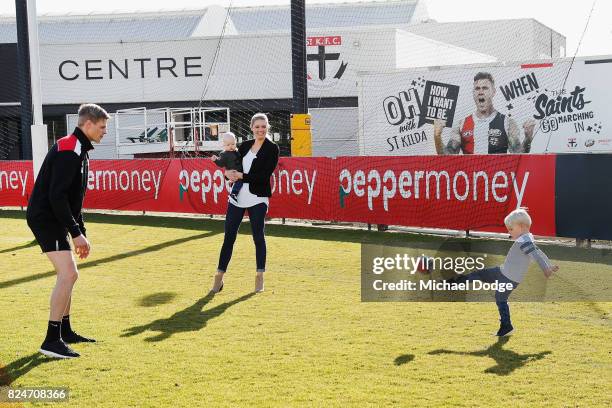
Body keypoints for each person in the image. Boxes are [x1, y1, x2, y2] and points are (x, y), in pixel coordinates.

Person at [26, 103, 109, 358]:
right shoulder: (69, 149)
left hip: (57, 217)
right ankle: (51, 340)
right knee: (68, 274)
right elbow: (57, 196)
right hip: (46, 217)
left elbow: (75, 198)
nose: (105, 132)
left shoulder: (81, 150)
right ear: (87, 124)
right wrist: (75, 232)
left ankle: (65, 330)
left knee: (70, 274)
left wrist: (80, 230)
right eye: (102, 127)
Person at [446, 208, 558, 336]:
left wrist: (546, 269)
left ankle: (506, 327)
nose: (509, 232)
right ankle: (452, 283)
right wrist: (549, 265)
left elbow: (536, 254)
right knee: (479, 275)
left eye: (511, 229)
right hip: (502, 272)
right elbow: (539, 252)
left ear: (521, 227)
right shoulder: (528, 238)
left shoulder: (524, 240)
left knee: (500, 298)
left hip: (508, 278)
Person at [211, 113, 279, 294]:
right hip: (238, 198)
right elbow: (230, 163)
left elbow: (264, 176)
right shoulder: (245, 145)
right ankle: (219, 276)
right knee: (229, 237)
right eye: (257, 127)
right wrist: (227, 173)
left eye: (263, 126)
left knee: (258, 236)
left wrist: (241, 176)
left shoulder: (273, 148)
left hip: (258, 198)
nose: (260, 130)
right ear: (251, 128)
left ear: (268, 127)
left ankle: (259, 276)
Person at [434, 72, 535, 154]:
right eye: (477, 89)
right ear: (473, 93)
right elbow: (447, 157)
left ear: (493, 92)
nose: (480, 92)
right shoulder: (461, 125)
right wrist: (437, 136)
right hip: (471, 178)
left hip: (498, 178)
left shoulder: (507, 123)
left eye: (485, 88)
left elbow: (519, 154)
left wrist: (528, 138)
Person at [211, 132, 243, 201]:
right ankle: (233, 194)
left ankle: (234, 192)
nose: (231, 146)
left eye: (233, 144)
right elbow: (221, 164)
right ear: (223, 145)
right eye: (228, 145)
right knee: (239, 181)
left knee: (239, 182)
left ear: (236, 142)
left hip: (240, 171)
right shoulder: (224, 154)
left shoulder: (238, 151)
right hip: (233, 172)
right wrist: (215, 160)